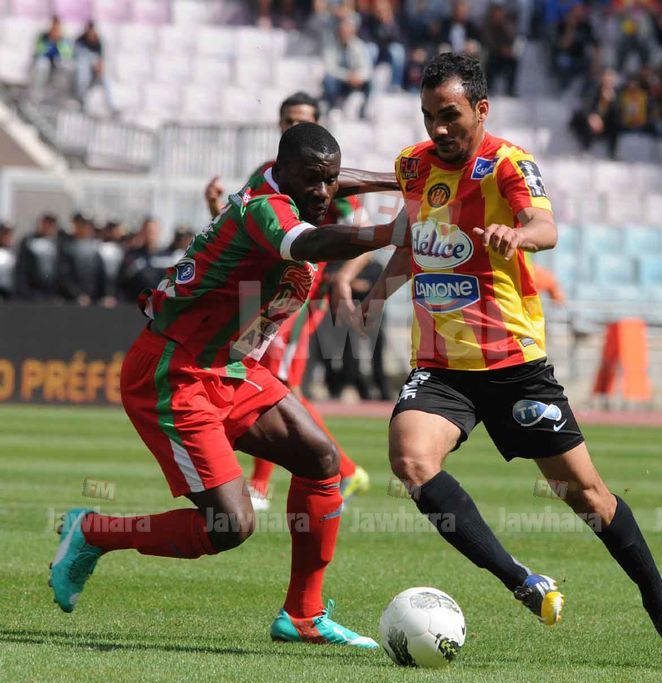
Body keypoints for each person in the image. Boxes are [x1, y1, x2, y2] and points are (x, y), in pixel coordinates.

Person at [359, 52, 662, 671]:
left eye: (450, 114)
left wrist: (518, 236)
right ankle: (521, 580)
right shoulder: (413, 165)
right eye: (429, 115)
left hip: (513, 365)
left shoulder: (509, 164)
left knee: (587, 497)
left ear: (481, 109)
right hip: (440, 366)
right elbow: (414, 242)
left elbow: (545, 226)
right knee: (411, 461)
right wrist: (377, 294)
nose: (438, 127)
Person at [48, 122, 406, 648]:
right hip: (175, 372)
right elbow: (308, 242)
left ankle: (303, 616)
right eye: (312, 179)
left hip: (230, 367)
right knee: (230, 526)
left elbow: (333, 182)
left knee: (320, 459)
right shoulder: (266, 209)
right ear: (282, 171)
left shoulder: (290, 185)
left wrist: (401, 178)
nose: (324, 192)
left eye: (329, 180)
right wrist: (390, 232)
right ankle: (93, 532)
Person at [204, 91, 388, 511]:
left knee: (275, 378)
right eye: (288, 120)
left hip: (293, 297)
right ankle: (344, 470)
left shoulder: (326, 182)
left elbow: (359, 230)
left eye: (302, 120)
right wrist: (215, 207)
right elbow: (241, 229)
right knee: (259, 374)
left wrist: (342, 277)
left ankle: (265, 483)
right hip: (260, 295)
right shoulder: (266, 175)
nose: (293, 126)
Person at [321, 15, 374, 118]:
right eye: (342, 30)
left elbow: (367, 68)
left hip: (356, 81)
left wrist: (358, 76)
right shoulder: (330, 46)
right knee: (328, 80)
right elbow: (330, 69)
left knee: (371, 82)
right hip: (340, 81)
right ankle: (332, 107)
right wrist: (347, 76)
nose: (344, 32)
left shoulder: (360, 46)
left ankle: (364, 111)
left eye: (347, 30)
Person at [15, 213, 60, 301]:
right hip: (33, 291)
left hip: (52, 293)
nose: (48, 226)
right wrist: (24, 291)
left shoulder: (58, 243)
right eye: (46, 223)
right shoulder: (28, 241)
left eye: (51, 224)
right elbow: (22, 268)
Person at [0, 223, 15, 301]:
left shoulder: (14, 253)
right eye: (5, 234)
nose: (7, 238)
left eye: (9, 235)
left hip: (10, 292)